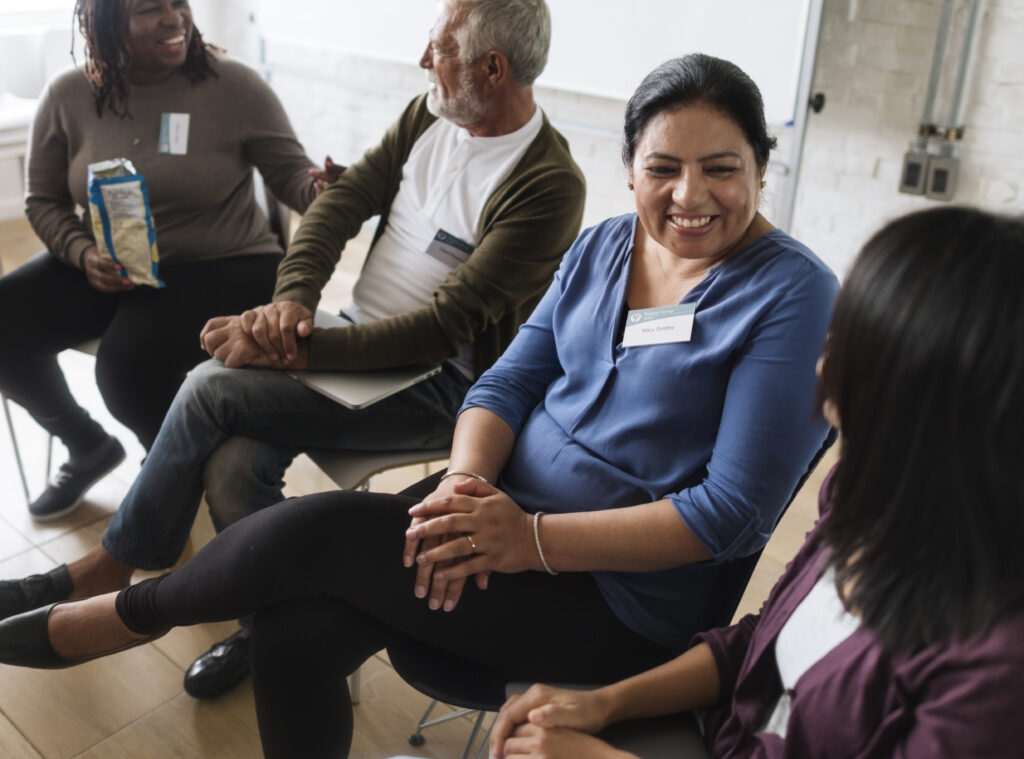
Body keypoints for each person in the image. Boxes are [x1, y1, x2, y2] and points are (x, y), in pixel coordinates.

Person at [0, 53, 837, 759]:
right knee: (293, 632)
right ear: (631, 170)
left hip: (612, 597)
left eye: (721, 167)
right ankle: (121, 611)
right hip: (490, 511)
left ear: (762, 166)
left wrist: (529, 541)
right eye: (663, 167)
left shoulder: (794, 296)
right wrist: (462, 488)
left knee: (321, 530)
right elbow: (504, 384)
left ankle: (125, 614)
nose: (690, 194)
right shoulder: (607, 244)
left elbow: (727, 516)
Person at [0, 0, 586, 700]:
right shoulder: (430, 115)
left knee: (211, 386)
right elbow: (338, 206)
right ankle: (266, 628)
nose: (424, 61)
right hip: (354, 337)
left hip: (444, 386)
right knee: (231, 460)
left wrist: (295, 353)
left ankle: (113, 571)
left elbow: (441, 327)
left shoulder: (549, 183)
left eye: (441, 48)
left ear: (493, 68)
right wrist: (292, 306)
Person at [486, 206, 1024, 758]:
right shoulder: (866, 495)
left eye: (857, 340)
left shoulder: (997, 666)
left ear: (941, 386)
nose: (822, 363)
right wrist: (608, 704)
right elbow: (757, 643)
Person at [0, 0, 324, 521]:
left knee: (127, 369)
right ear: (104, 24)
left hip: (223, 260)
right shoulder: (68, 94)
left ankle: (175, 476)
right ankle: (88, 447)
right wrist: (82, 254)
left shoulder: (234, 85)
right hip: (110, 260)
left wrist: (326, 188)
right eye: (151, 9)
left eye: (178, 3)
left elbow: (292, 176)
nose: (174, 18)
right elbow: (44, 201)